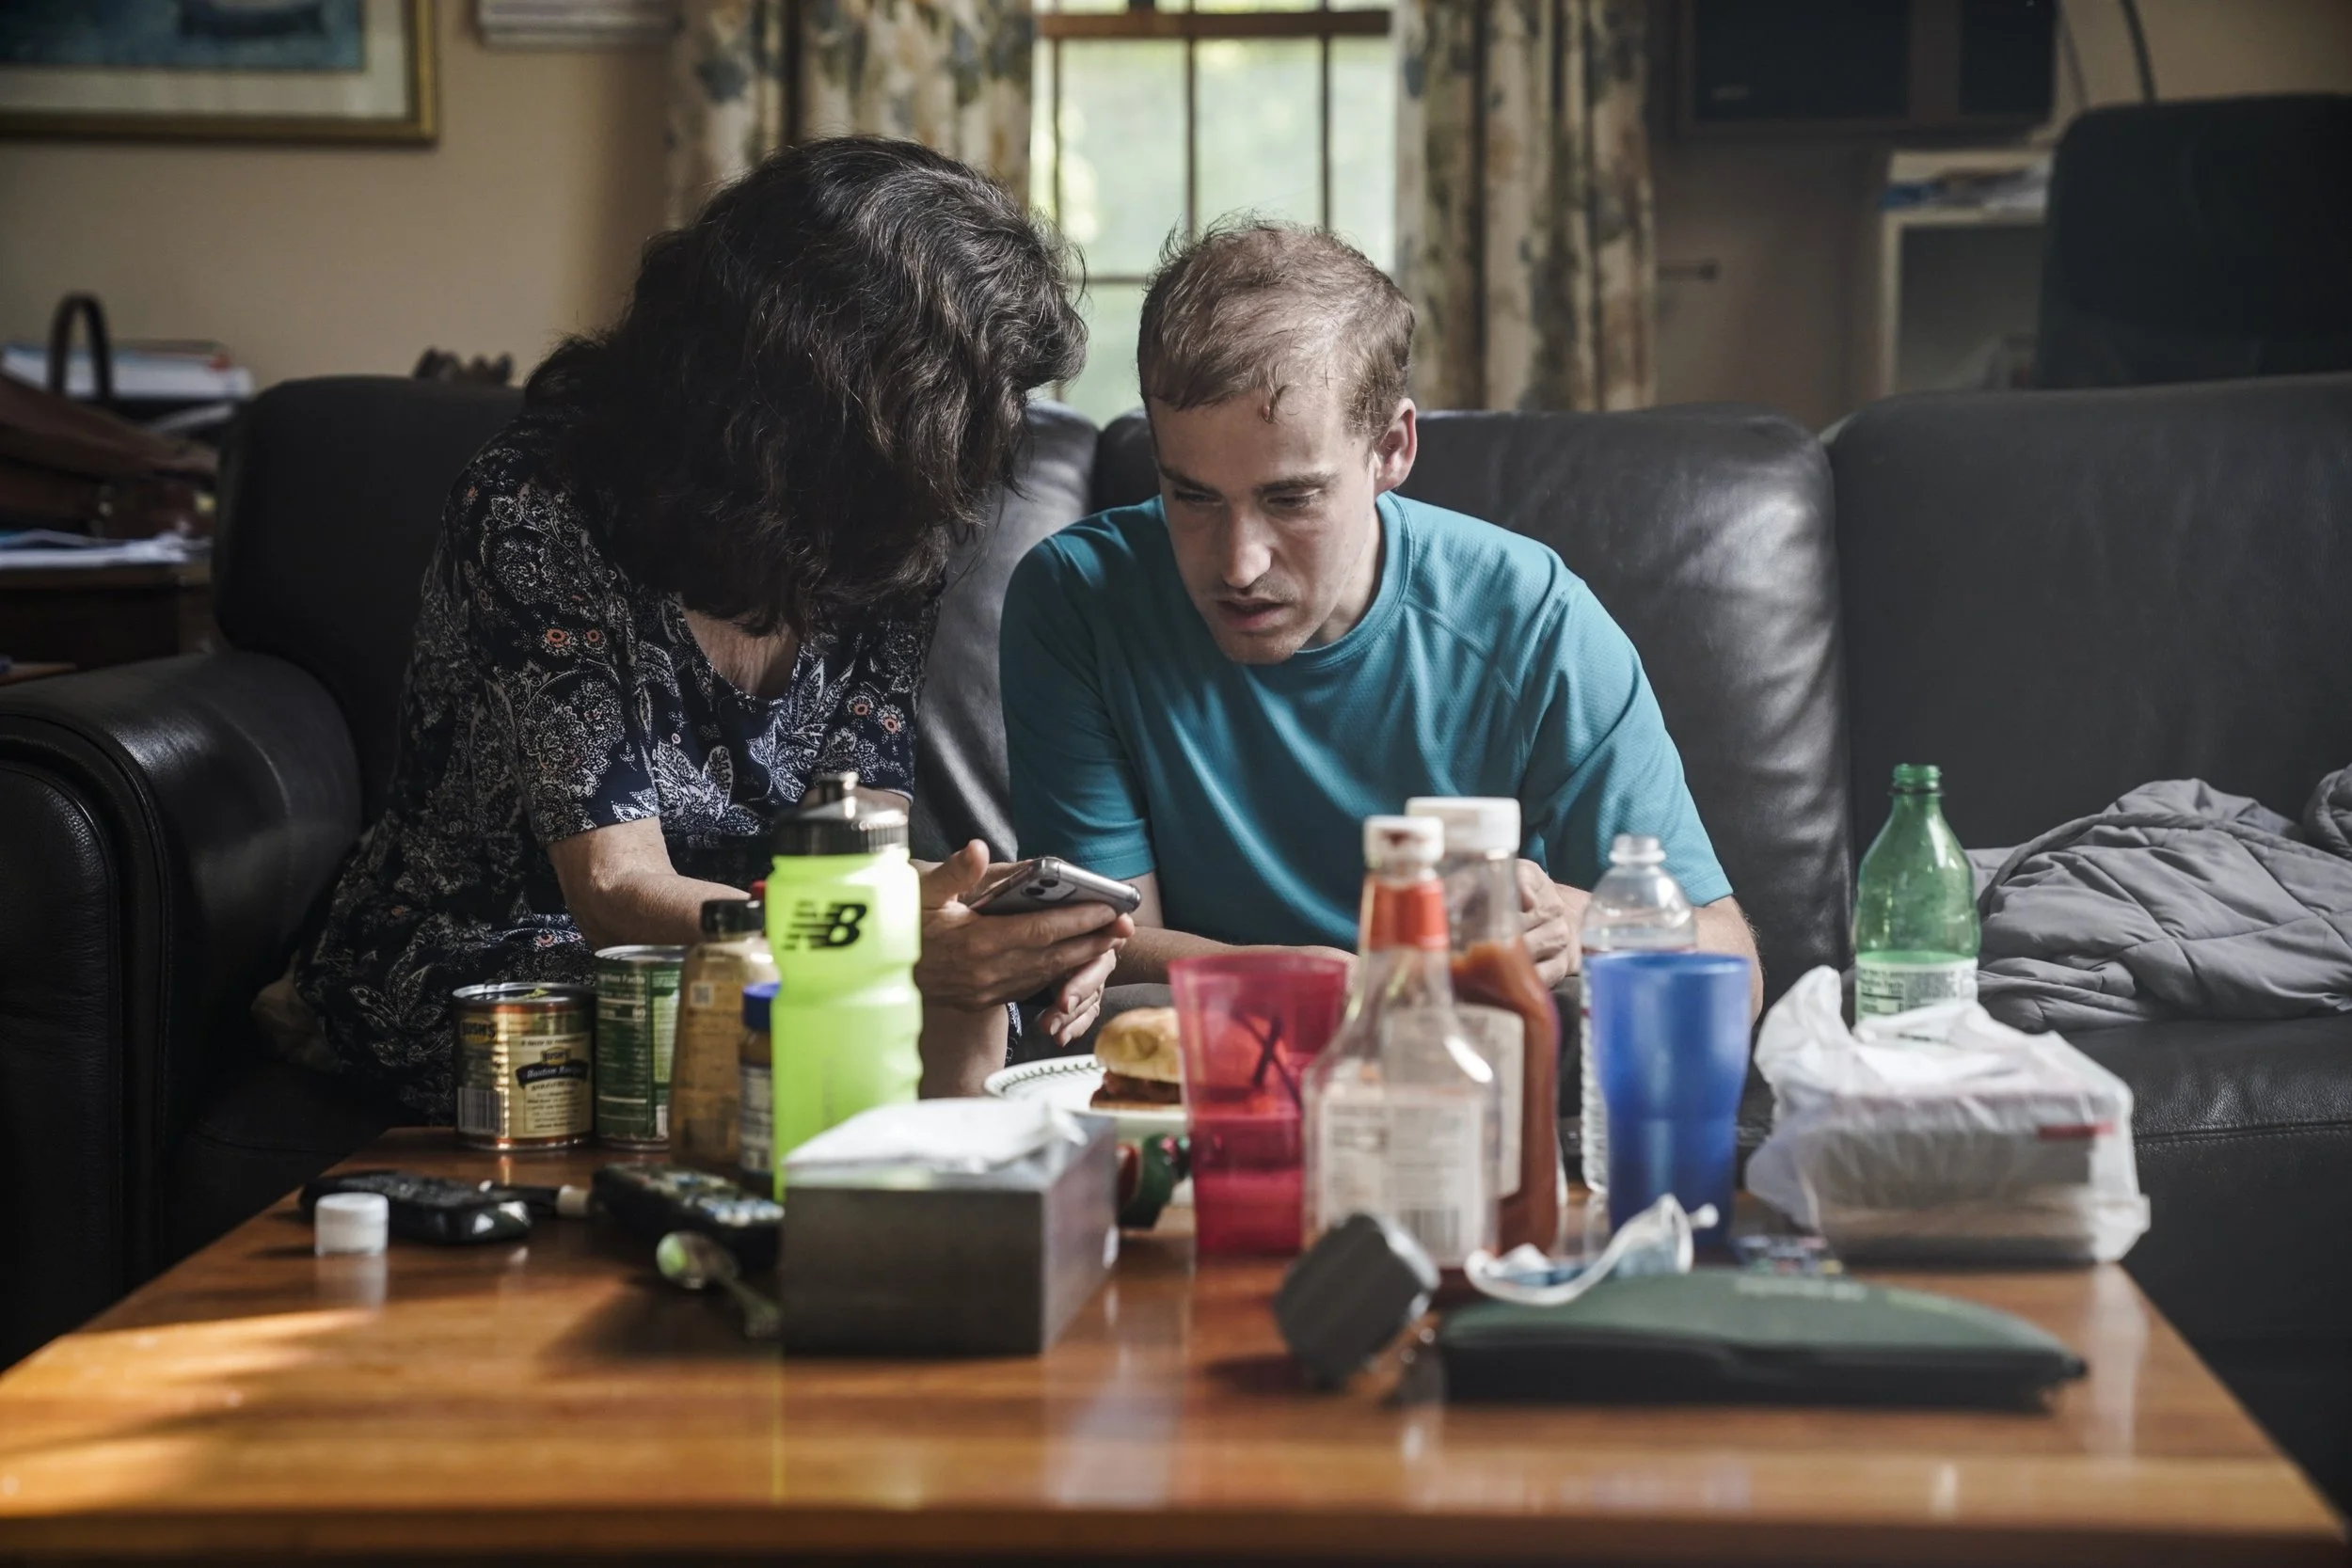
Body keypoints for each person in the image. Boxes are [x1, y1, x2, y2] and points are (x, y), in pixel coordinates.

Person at [297, 138, 1133, 1120]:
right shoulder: (535, 506)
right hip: (526, 953)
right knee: (720, 1027)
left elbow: (854, 858)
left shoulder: (887, 530)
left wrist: (999, 920)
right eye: (953, 407)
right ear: (822, 394)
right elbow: (615, 892)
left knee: (966, 1004)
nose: (977, 447)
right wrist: (885, 946)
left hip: (779, 951)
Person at [998, 222, 1759, 1003]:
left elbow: (1732, 966)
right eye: (1192, 496)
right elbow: (1101, 954)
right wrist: (1338, 989)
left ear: (1392, 449)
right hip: (1211, 1072)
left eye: (1290, 498)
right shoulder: (1077, 598)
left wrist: (1581, 922)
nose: (1239, 564)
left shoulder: (1534, 620)